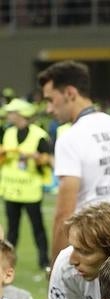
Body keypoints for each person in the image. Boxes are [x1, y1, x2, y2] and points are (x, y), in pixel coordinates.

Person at [38, 60, 110, 261]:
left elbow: (64, 214)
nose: (49, 109)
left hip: (87, 251)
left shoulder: (70, 138)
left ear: (70, 93)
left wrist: (56, 267)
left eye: (50, 100)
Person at [0, 98, 51, 270]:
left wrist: (37, 157)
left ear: (20, 114)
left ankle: (44, 261)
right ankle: (6, 262)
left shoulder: (39, 135)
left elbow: (49, 160)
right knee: (12, 231)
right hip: (11, 190)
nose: (8, 115)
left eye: (11, 112)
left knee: (38, 229)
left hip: (30, 191)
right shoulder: (7, 133)